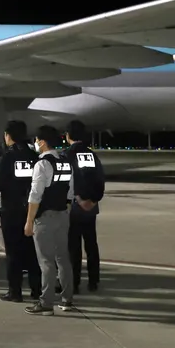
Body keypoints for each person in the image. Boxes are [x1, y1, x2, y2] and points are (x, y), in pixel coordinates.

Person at [24, 125, 75, 315]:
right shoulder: (64, 161)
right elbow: (70, 191)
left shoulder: (42, 164)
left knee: (46, 261)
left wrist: (29, 221)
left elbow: (35, 195)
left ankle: (46, 302)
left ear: (43, 141)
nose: (36, 143)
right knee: (63, 258)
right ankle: (67, 299)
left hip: (45, 217)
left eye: (37, 140)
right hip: (63, 215)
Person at [0, 120, 41, 303]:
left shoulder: (7, 157)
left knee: (13, 252)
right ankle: (36, 289)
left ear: (8, 135)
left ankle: (15, 291)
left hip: (11, 211)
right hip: (31, 210)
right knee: (33, 251)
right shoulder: (34, 156)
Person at [65, 120, 105, 294]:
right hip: (92, 207)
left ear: (68, 136)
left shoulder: (67, 155)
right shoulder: (91, 155)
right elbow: (99, 179)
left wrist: (79, 199)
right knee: (91, 244)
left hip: (74, 206)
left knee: (73, 247)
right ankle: (94, 281)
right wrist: (94, 200)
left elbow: (68, 180)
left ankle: (74, 283)